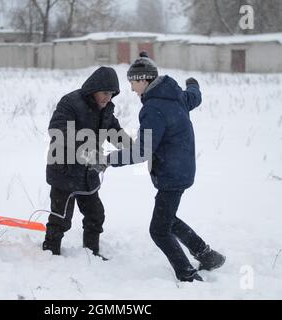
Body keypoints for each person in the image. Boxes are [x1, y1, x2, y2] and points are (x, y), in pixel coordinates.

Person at [90, 53, 225, 282]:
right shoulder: (177, 95)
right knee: (168, 218)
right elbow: (195, 97)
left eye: (133, 82)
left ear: (143, 80)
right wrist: (193, 84)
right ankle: (207, 255)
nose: (132, 89)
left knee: (159, 230)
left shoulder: (153, 108)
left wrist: (107, 160)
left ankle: (187, 274)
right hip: (182, 169)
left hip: (171, 173)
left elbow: (143, 151)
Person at [43, 66, 130, 259]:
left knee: (95, 215)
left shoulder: (106, 108)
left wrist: (134, 148)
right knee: (61, 218)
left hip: (88, 173)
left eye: (112, 94)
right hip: (64, 170)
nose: (108, 98)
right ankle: (50, 252)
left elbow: (114, 131)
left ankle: (91, 253)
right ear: (94, 89)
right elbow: (58, 131)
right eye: (105, 93)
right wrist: (88, 151)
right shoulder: (71, 102)